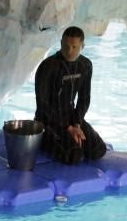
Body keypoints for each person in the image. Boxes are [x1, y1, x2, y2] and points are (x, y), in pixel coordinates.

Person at [33, 26, 107, 165]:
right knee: (74, 156)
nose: (69, 51)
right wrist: (67, 127)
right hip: (49, 120)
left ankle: (67, 136)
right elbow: (43, 105)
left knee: (98, 151)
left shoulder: (85, 65)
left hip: (71, 118)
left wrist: (77, 124)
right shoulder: (48, 67)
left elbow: (84, 99)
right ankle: (43, 139)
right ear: (61, 43)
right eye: (66, 46)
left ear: (82, 46)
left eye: (74, 47)